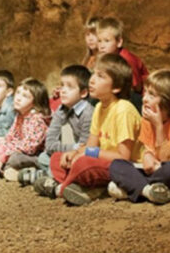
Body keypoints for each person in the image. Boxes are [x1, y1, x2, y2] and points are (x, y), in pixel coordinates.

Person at [34, 53, 141, 206]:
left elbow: (123, 157)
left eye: (100, 76)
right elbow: (90, 144)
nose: (92, 80)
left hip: (122, 167)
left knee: (83, 164)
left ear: (116, 87)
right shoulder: (98, 107)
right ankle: (82, 188)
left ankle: (61, 188)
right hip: (101, 160)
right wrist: (75, 153)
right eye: (93, 74)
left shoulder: (123, 110)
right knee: (58, 157)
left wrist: (87, 153)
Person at [108, 70, 170, 204]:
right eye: (145, 92)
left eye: (151, 95)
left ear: (169, 100)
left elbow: (166, 158)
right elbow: (148, 148)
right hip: (154, 171)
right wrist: (147, 156)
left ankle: (133, 187)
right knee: (117, 165)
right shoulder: (147, 120)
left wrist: (159, 127)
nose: (144, 98)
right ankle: (149, 191)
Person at [11, 64, 94, 186]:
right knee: (44, 157)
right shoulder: (61, 110)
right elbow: (50, 144)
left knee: (79, 163)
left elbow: (85, 147)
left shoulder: (88, 113)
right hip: (67, 154)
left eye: (69, 87)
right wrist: (72, 148)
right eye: (62, 85)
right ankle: (53, 176)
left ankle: (51, 178)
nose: (63, 90)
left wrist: (73, 149)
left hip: (83, 155)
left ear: (83, 93)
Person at [0, 79, 50, 179]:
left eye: (25, 96)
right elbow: (9, 138)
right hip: (17, 151)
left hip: (34, 155)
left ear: (35, 102)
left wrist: (5, 154)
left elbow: (29, 148)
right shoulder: (19, 116)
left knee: (15, 159)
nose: (18, 98)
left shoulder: (37, 120)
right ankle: (4, 167)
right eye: (18, 93)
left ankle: (24, 172)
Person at [95, 16, 149, 108]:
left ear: (119, 42)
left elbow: (137, 88)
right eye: (99, 41)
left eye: (106, 41)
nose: (102, 46)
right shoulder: (107, 58)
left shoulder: (127, 60)